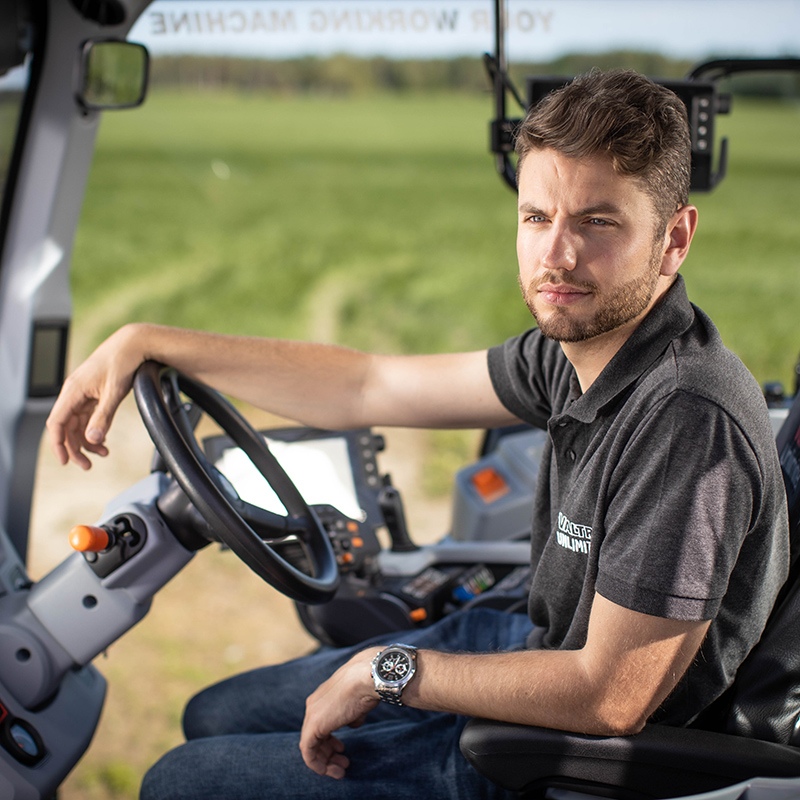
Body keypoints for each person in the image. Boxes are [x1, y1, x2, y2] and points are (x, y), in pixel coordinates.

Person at [47, 69, 789, 800]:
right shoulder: (583, 349)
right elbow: (367, 385)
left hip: (560, 750)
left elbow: (610, 697)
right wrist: (148, 340)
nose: (556, 255)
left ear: (674, 239)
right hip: (533, 645)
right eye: (537, 218)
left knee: (178, 783)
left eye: (598, 222)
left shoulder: (688, 419)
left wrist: (389, 673)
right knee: (210, 713)